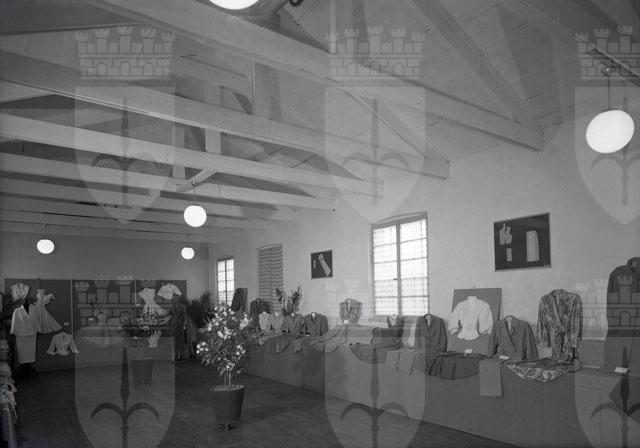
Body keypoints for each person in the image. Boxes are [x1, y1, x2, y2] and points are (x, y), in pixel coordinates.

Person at [169, 295, 187, 362]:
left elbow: (185, 316)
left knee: (180, 341)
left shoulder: (182, 307)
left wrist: (184, 325)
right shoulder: (171, 307)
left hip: (180, 325)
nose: (174, 300)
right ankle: (173, 357)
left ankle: (179, 356)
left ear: (178, 299)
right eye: (173, 299)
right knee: (172, 341)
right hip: (173, 325)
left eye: (175, 299)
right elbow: (170, 315)